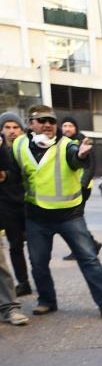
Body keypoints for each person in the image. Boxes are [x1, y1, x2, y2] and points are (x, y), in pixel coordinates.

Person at [11, 105, 102, 317]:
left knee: (89, 258)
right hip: (36, 216)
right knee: (38, 263)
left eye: (52, 121)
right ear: (30, 123)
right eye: (42, 120)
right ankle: (47, 301)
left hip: (69, 215)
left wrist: (81, 155)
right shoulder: (19, 145)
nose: (47, 125)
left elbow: (75, 158)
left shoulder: (67, 145)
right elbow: (13, 174)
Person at [59, 117, 102, 262]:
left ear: (76, 128)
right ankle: (92, 244)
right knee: (75, 219)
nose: (67, 128)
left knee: (72, 219)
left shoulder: (82, 141)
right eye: (64, 125)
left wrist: (82, 185)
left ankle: (81, 249)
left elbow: (90, 165)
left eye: (70, 125)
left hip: (81, 188)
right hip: (68, 188)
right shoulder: (61, 142)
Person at [0, 111, 31, 296]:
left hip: (29, 203)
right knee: (15, 245)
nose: (12, 131)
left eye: (15, 127)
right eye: (7, 127)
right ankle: (24, 282)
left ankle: (42, 283)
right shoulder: (1, 150)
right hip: (8, 205)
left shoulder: (28, 148)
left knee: (36, 247)